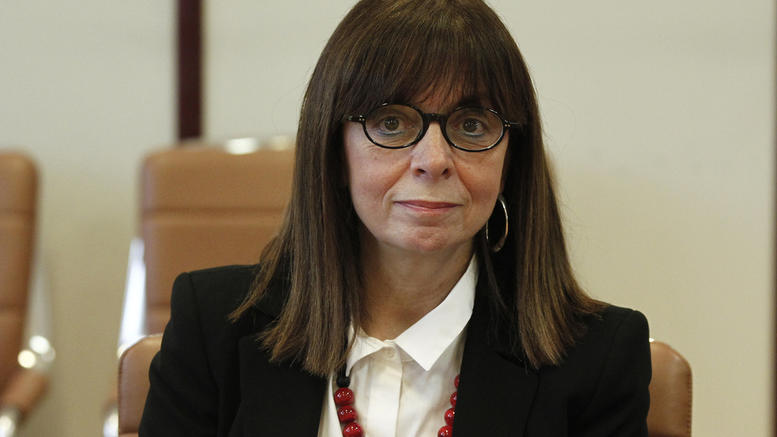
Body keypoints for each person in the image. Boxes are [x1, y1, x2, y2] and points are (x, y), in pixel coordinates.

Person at [139, 0, 651, 436]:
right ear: (334, 153)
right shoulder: (213, 329)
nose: (434, 159)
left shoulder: (598, 359)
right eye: (390, 122)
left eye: (472, 125)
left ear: (510, 164)